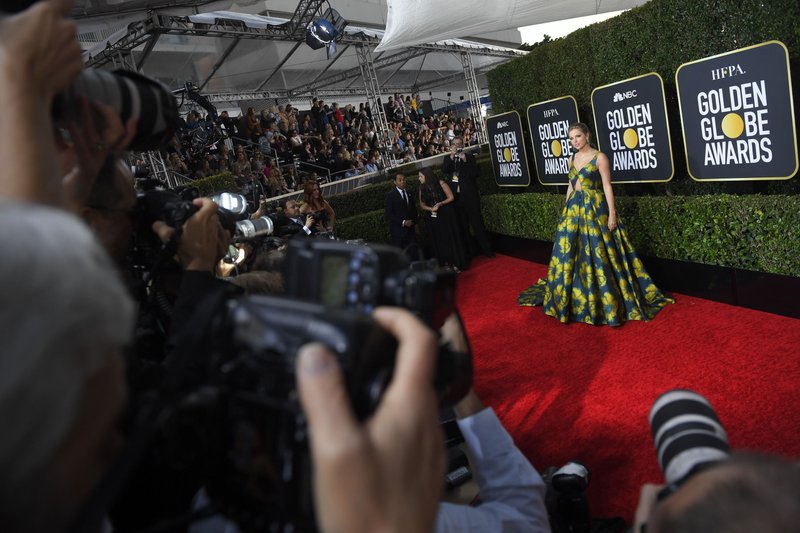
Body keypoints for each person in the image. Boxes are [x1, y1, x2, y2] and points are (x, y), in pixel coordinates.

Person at [518, 122, 673, 326]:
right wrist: (566, 210)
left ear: (587, 135)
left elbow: (607, 186)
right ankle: (574, 299)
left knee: (600, 251)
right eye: (571, 138)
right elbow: (570, 186)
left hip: (595, 209)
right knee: (572, 253)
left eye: (578, 136)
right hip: (574, 211)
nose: (574, 141)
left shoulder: (600, 157)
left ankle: (605, 300)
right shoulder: (571, 159)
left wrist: (612, 214)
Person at [442, 137, 493, 258]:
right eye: (454, 144)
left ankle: (487, 250)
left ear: (463, 145)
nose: (457, 146)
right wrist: (451, 156)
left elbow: (475, 174)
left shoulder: (469, 157)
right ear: (451, 146)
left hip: (470, 197)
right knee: (463, 226)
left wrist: (465, 160)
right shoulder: (447, 159)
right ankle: (470, 252)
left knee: (477, 224)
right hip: (456, 198)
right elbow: (444, 170)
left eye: (459, 144)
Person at [418, 168, 468, 272]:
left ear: (427, 176)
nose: (419, 179)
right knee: (439, 241)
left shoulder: (441, 183)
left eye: (420, 176)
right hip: (433, 219)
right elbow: (422, 205)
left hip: (446, 215)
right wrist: (431, 208)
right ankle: (445, 264)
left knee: (450, 238)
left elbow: (451, 197)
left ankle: (456, 263)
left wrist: (440, 203)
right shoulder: (421, 188)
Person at [385, 173, 419, 259]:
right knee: (402, 256)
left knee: (414, 252)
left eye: (404, 179)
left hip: (411, 230)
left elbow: (414, 210)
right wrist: (403, 222)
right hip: (398, 231)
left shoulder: (409, 192)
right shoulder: (390, 195)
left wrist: (416, 224)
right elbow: (389, 214)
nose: (402, 182)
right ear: (395, 182)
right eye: (399, 180)